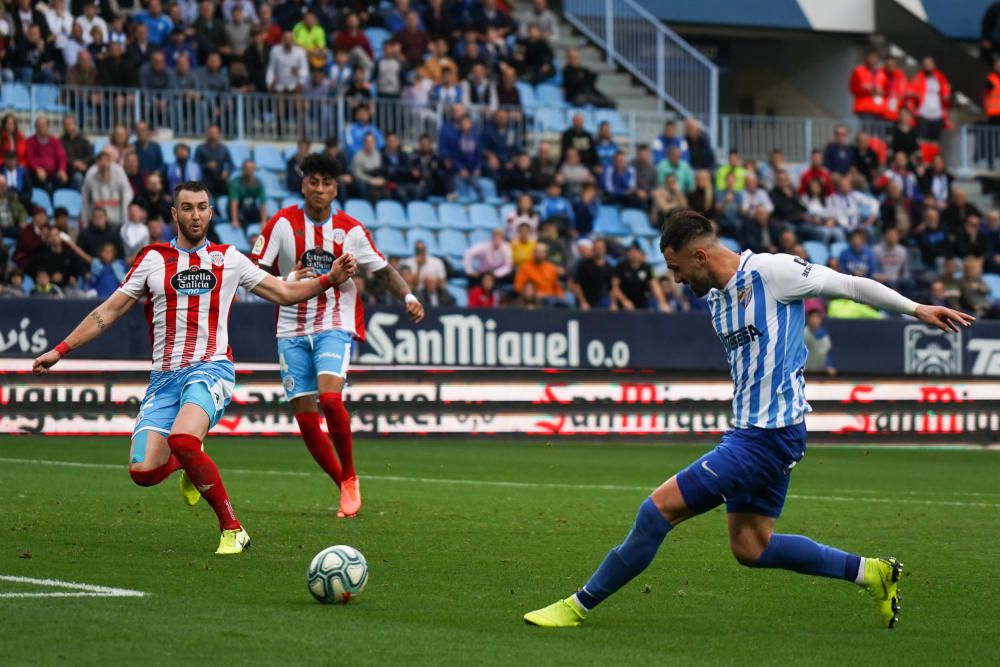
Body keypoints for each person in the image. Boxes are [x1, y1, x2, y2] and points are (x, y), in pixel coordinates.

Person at [523, 208, 974, 630]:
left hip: (767, 438)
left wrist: (916, 309)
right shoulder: (716, 298)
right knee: (751, 546)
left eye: (677, 268)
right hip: (755, 433)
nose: (675, 279)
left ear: (700, 255)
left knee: (657, 509)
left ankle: (577, 606)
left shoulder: (773, 272)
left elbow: (851, 285)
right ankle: (870, 573)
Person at [32, 180, 358, 554]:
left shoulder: (230, 259)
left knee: (184, 438)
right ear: (174, 214)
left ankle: (232, 528)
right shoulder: (151, 259)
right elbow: (108, 310)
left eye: (202, 207)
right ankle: (187, 463)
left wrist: (329, 279)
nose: (195, 214)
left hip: (211, 369)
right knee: (143, 473)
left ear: (211, 212)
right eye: (187, 208)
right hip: (162, 380)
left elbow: (283, 292)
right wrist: (60, 349)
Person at [251, 155, 424, 518]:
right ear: (303, 186)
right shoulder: (282, 224)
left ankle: (350, 477)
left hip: (334, 322)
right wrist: (289, 281)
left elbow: (384, 270)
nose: (319, 189)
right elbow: (252, 274)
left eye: (326, 183)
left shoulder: (351, 230)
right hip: (290, 327)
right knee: (304, 415)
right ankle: (343, 481)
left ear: (336, 188)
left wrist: (408, 296)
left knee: (330, 399)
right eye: (313, 181)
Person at [611, 243, 669, 311]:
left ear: (640, 253)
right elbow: (615, 287)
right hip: (623, 306)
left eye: (635, 251)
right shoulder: (620, 266)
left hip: (642, 305)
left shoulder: (647, 268)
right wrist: (624, 301)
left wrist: (663, 303)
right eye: (631, 251)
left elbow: (655, 285)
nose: (633, 253)